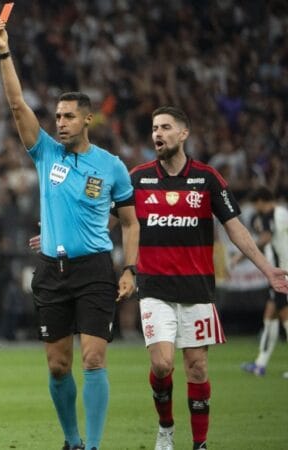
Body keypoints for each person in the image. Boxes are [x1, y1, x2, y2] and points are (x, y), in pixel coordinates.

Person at [0, 20, 140, 450]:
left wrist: (129, 268)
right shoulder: (45, 154)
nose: (60, 123)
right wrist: (4, 53)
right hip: (51, 273)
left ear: (88, 118)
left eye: (69, 116)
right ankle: (72, 441)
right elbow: (17, 105)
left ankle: (92, 447)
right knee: (58, 366)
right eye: (56, 116)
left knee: (94, 358)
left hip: (94, 270)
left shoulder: (111, 166)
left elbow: (128, 221)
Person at [127, 107, 288, 450]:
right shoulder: (138, 178)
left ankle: (199, 444)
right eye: (154, 127)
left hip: (198, 291)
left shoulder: (207, 178)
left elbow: (237, 230)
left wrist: (267, 269)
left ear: (183, 133)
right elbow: (111, 221)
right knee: (162, 363)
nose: (158, 133)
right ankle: (166, 428)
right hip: (154, 289)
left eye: (166, 127)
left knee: (197, 369)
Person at [239, 188, 288, 377]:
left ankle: (260, 364)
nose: (256, 209)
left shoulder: (269, 215)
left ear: (261, 201)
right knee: (270, 316)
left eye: (256, 204)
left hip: (280, 275)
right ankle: (260, 364)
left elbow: (265, 238)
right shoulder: (283, 212)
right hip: (282, 273)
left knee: (284, 317)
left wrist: (242, 256)